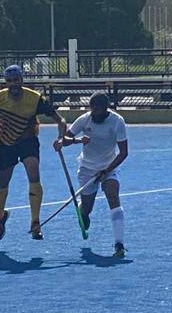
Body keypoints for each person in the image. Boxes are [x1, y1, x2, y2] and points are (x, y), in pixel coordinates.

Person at [0, 64, 68, 240]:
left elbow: (60, 119)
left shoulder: (35, 98)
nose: (13, 84)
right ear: (6, 82)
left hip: (28, 141)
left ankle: (35, 223)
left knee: (34, 176)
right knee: (3, 182)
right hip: (6, 144)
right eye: (9, 81)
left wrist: (61, 137)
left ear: (21, 80)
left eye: (16, 80)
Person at [54, 92, 129, 258]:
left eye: (98, 109)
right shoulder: (85, 119)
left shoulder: (117, 122)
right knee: (87, 209)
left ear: (105, 108)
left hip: (109, 167)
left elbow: (123, 153)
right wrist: (66, 141)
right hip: (87, 169)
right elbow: (67, 138)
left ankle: (119, 244)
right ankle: (83, 211)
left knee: (112, 193)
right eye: (92, 108)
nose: (94, 112)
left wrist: (107, 170)